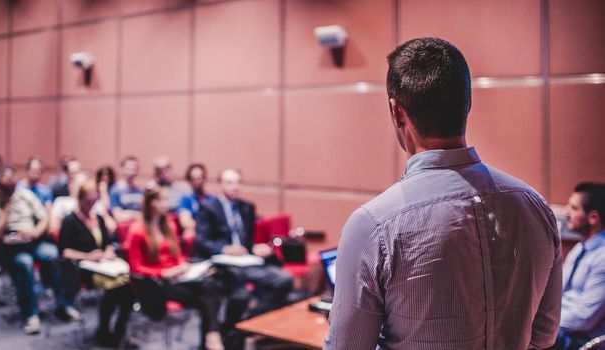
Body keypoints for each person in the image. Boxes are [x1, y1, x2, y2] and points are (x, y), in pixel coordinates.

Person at [324, 38, 562, 350]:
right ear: (467, 103)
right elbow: (544, 335)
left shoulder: (373, 225)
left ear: (397, 112)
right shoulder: (535, 206)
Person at [127, 185, 224, 350]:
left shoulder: (170, 225)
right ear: (150, 203)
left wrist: (183, 265)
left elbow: (177, 255)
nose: (165, 204)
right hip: (155, 284)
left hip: (178, 278)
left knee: (210, 287)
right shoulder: (137, 230)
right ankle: (211, 339)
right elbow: (136, 268)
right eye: (161, 200)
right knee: (206, 298)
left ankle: (211, 336)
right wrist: (163, 272)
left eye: (166, 199)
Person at [195, 169, 293, 325]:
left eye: (238, 182)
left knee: (284, 279)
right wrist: (226, 249)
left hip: (246, 260)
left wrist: (256, 248)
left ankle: (253, 321)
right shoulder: (208, 207)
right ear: (220, 184)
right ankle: (232, 328)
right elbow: (202, 241)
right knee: (241, 295)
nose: (235, 186)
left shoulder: (247, 207)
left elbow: (248, 240)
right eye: (230, 182)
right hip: (225, 264)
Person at [0, 166, 67, 334]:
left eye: (12, 188)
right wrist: (6, 208)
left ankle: (62, 304)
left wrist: (34, 233)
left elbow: (43, 218)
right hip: (6, 248)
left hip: (32, 239)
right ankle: (31, 314)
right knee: (25, 263)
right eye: (6, 189)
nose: (10, 192)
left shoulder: (25, 195)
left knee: (53, 254)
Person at [58, 179, 135, 349]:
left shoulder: (98, 218)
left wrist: (108, 251)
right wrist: (88, 256)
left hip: (103, 266)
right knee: (118, 289)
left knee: (129, 288)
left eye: (94, 202)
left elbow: (108, 242)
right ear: (80, 199)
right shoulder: (70, 221)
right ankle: (107, 331)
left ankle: (115, 331)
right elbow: (64, 252)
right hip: (83, 270)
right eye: (88, 202)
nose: (91, 206)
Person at [551, 182, 605, 349]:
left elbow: (584, 318)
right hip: (563, 330)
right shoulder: (580, 248)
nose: (566, 212)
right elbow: (559, 294)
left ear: (593, 218)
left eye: (574, 208)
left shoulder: (602, 257)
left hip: (582, 341)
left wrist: (541, 322)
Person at [177, 163, 214, 237]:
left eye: (199, 178)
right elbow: (185, 222)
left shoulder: (212, 199)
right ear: (189, 181)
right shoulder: (186, 199)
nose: (197, 182)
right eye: (193, 179)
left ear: (204, 178)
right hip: (197, 234)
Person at [109, 156, 143, 223]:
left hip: (139, 227)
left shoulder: (141, 190)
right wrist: (136, 215)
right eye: (128, 169)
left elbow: (146, 215)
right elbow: (118, 216)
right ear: (122, 169)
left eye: (134, 169)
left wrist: (127, 213)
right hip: (123, 229)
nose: (131, 172)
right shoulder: (115, 190)